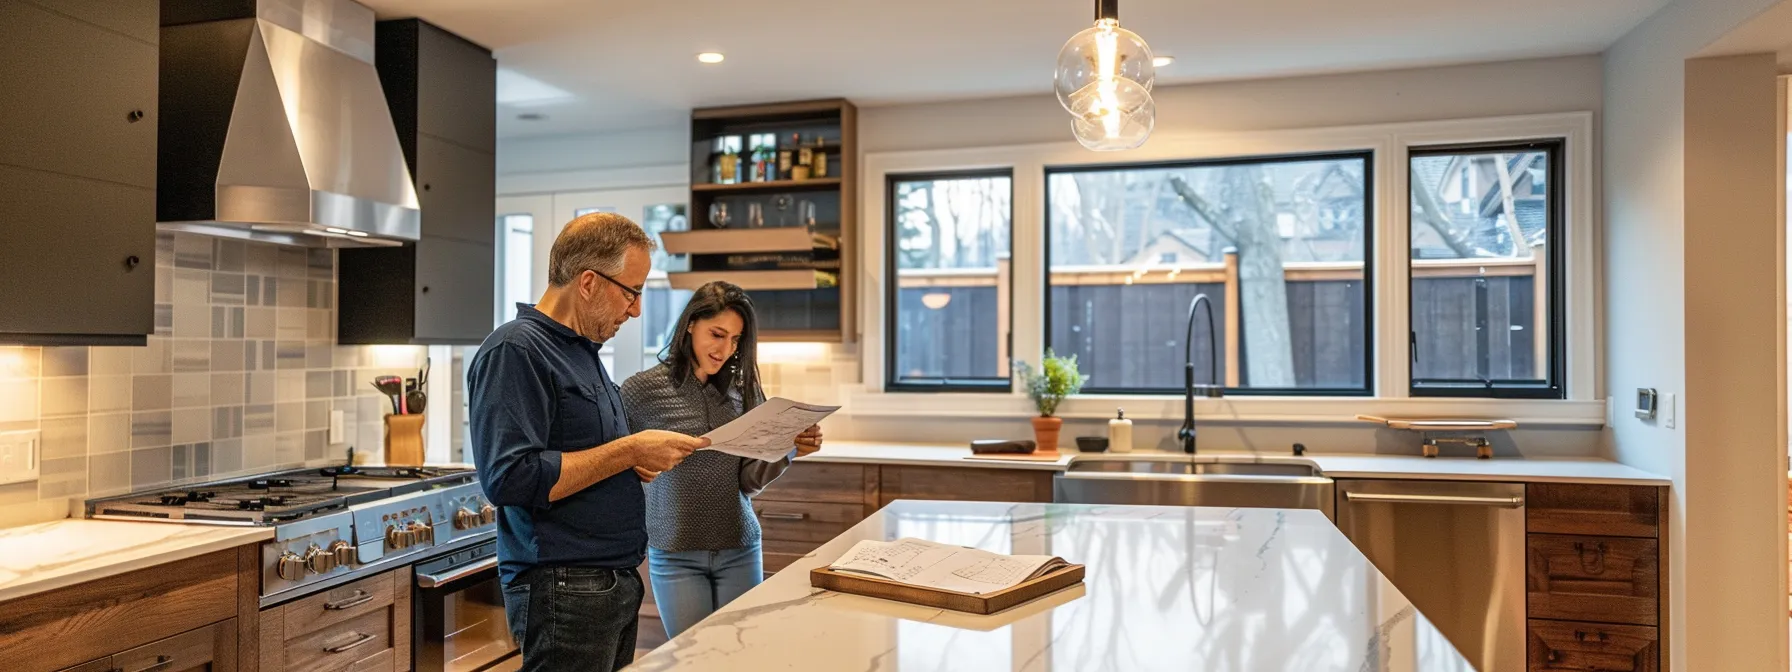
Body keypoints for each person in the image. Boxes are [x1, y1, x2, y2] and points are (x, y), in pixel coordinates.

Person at [468, 212, 709, 672]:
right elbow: (509, 478)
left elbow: (579, 456)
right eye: (631, 292)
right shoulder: (516, 350)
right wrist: (629, 450)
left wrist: (627, 461)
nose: (636, 309)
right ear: (588, 282)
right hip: (564, 587)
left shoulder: (581, 352)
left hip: (605, 585)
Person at [619, 281, 824, 639]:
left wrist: (789, 448)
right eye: (717, 334)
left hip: (740, 547)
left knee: (741, 660)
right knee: (692, 660)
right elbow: (618, 464)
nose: (725, 349)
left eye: (735, 340)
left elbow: (749, 481)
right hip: (675, 551)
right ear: (690, 325)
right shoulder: (639, 391)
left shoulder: (743, 392)